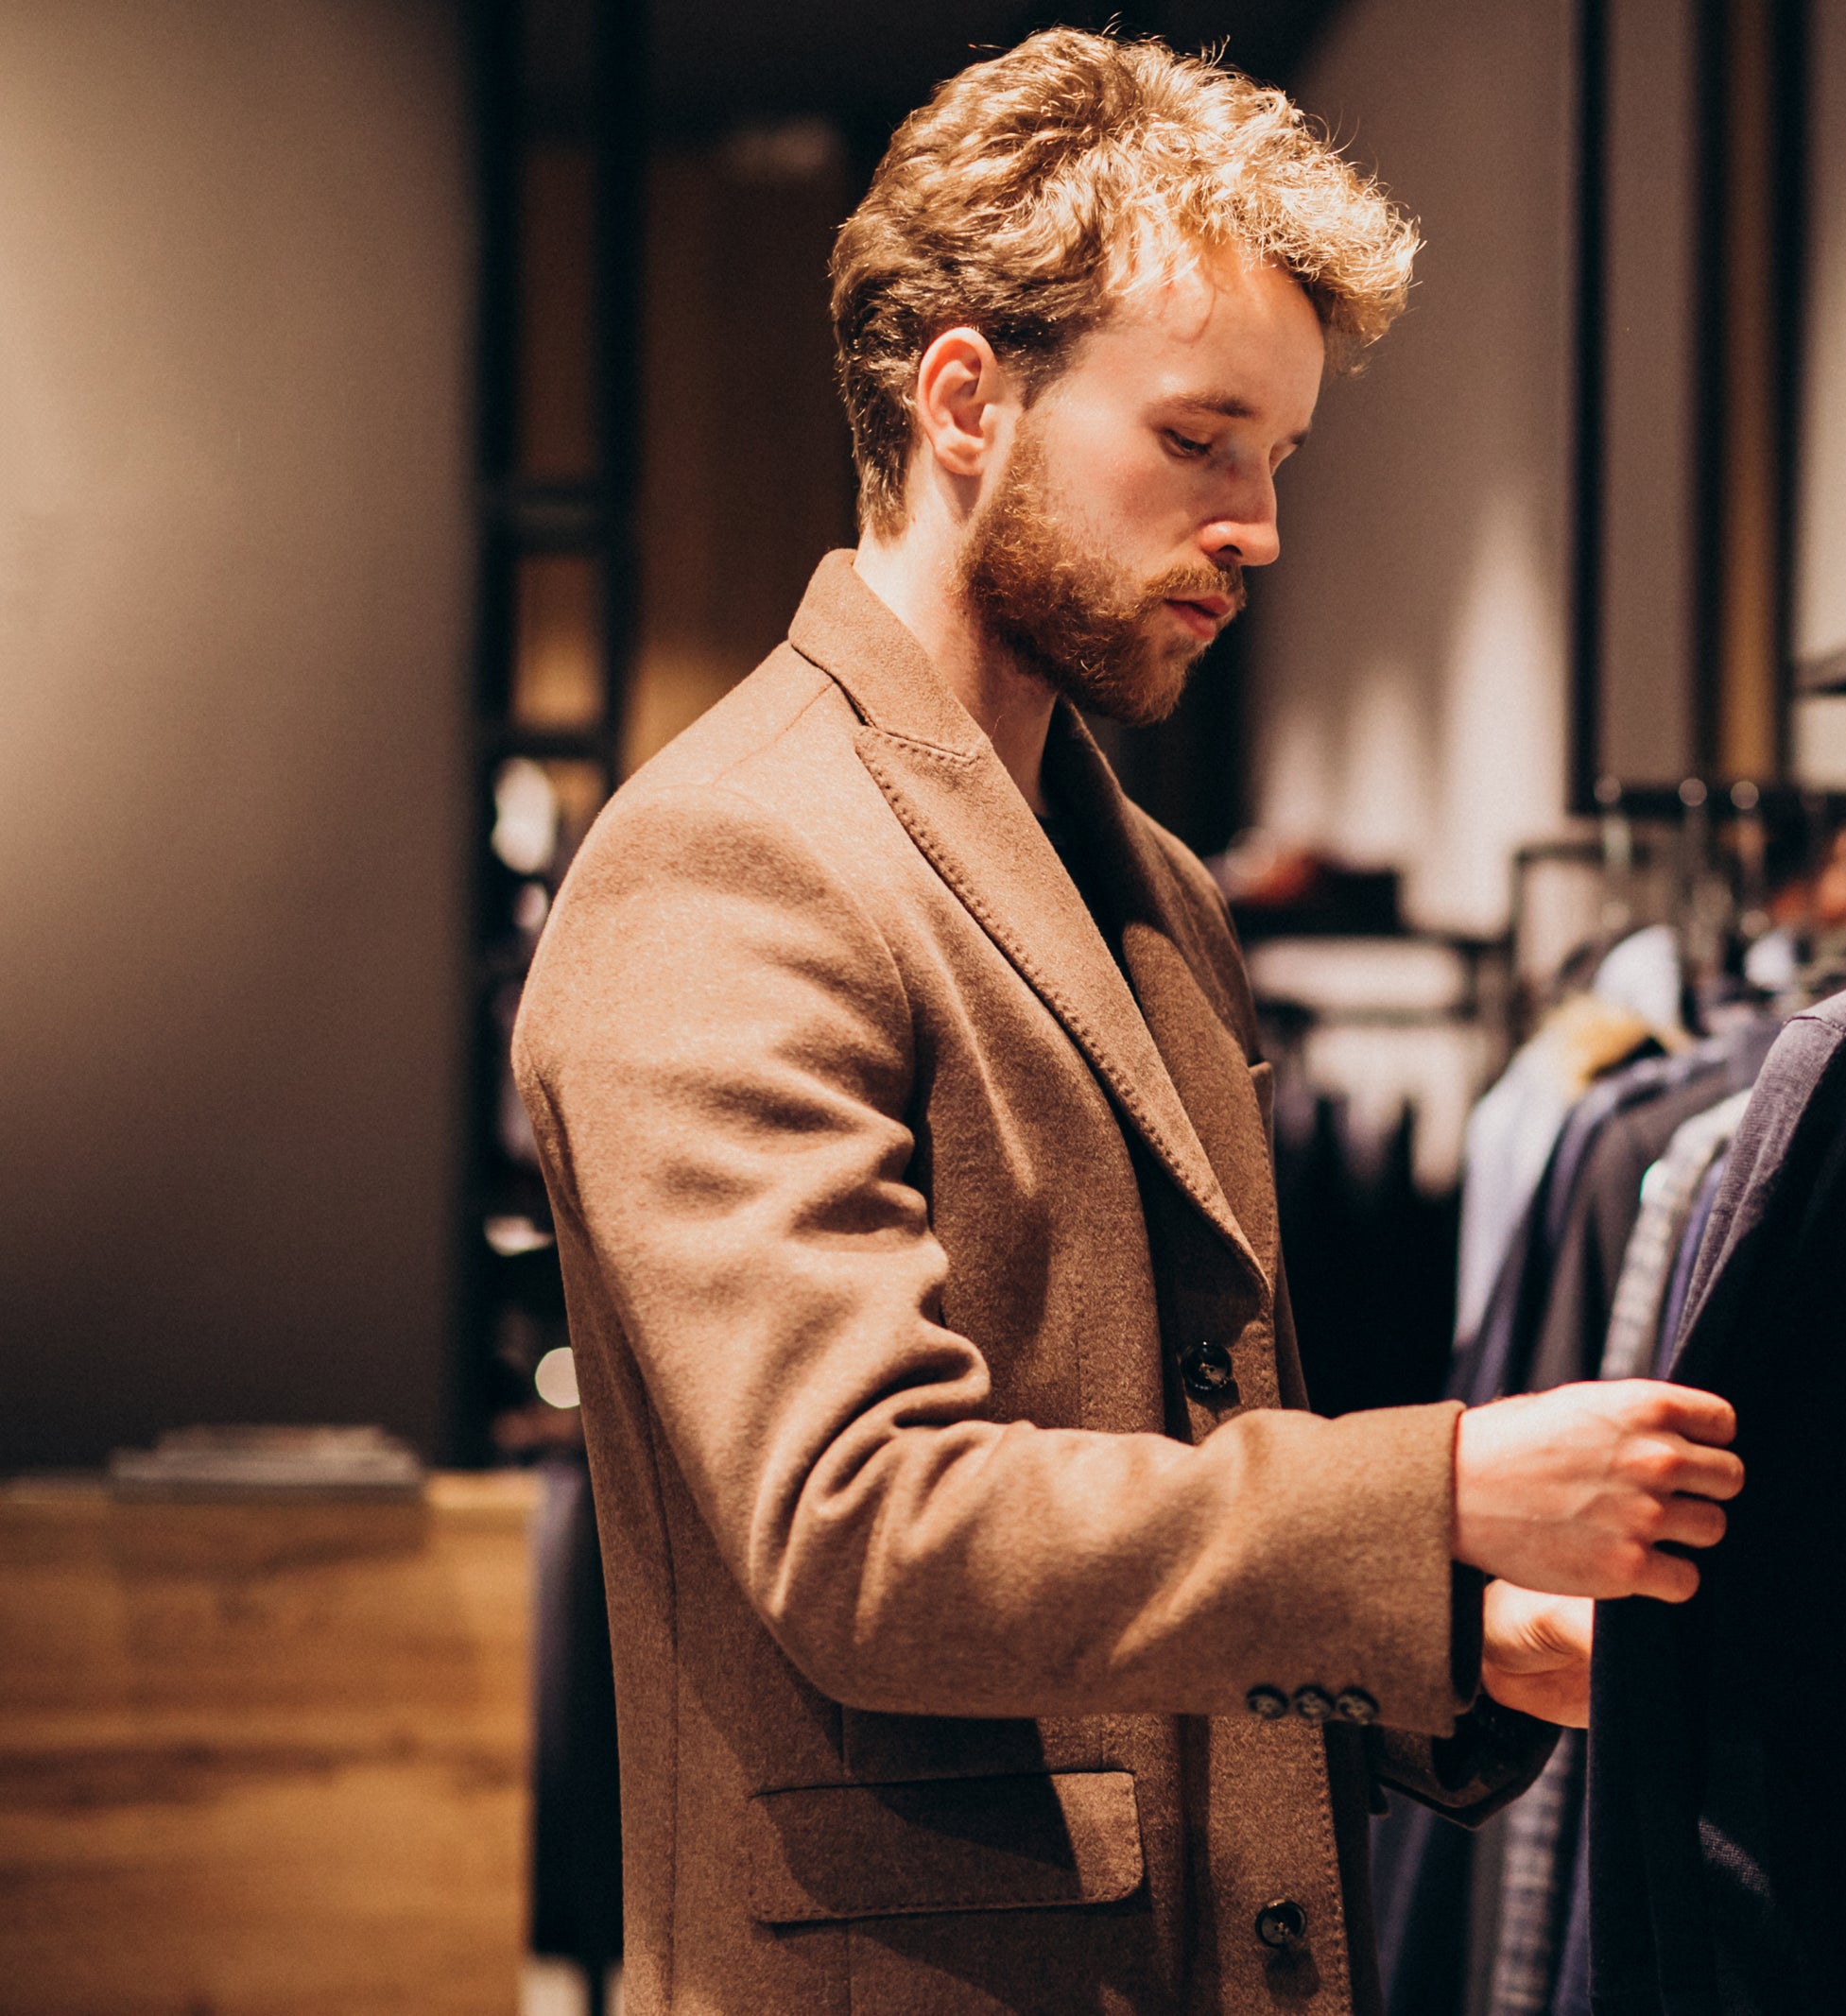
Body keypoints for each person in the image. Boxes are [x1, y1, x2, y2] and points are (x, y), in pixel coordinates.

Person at [509, 28, 1743, 2015]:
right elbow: (865, 1530)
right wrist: (1427, 1496)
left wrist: (1446, 1626)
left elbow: (1167, 1471)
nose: (1254, 524)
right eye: (1196, 440)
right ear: (966, 399)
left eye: (1277, 457)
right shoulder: (730, 860)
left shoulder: (1150, 889)